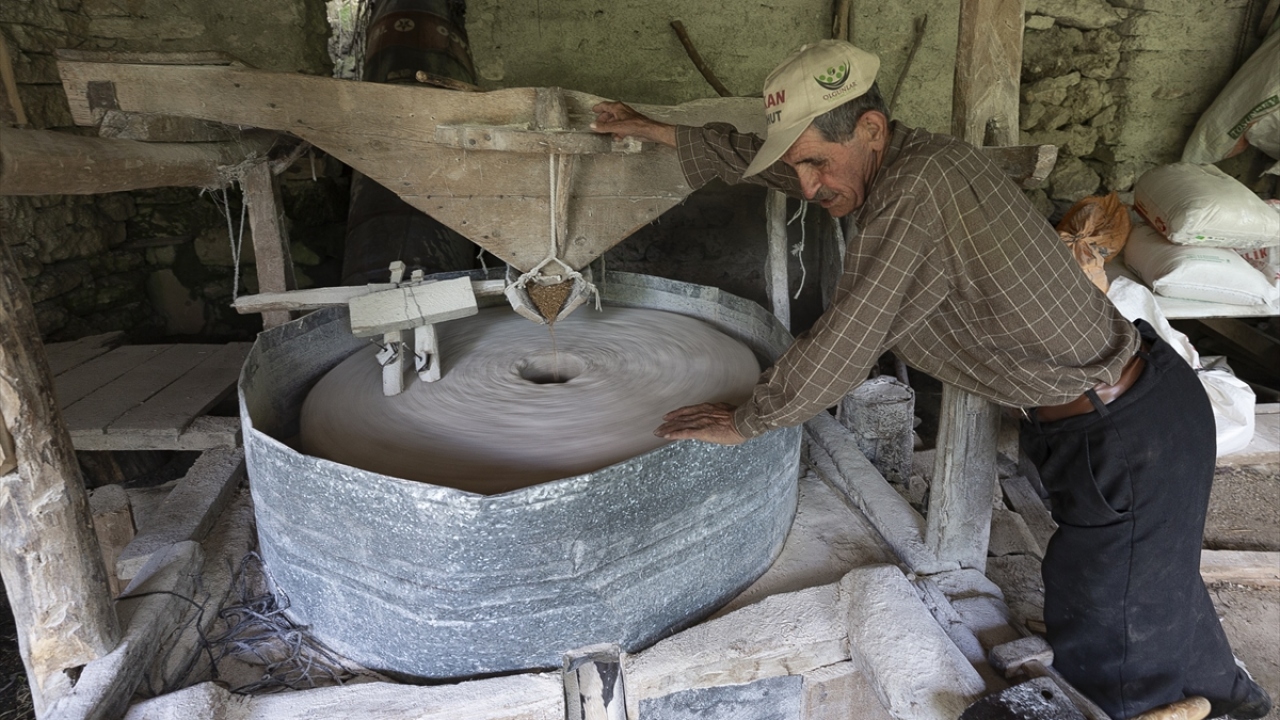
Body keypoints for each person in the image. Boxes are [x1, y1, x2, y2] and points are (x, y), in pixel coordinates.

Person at [591, 39, 1272, 720]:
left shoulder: (912, 192)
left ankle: (1189, 703)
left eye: (817, 165)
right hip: (1134, 412)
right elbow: (776, 164)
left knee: (1111, 644)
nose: (806, 186)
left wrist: (750, 419)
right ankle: (1234, 703)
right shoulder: (913, 164)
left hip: (1124, 436)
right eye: (798, 165)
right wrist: (664, 133)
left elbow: (850, 334)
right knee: (1148, 594)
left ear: (870, 130)